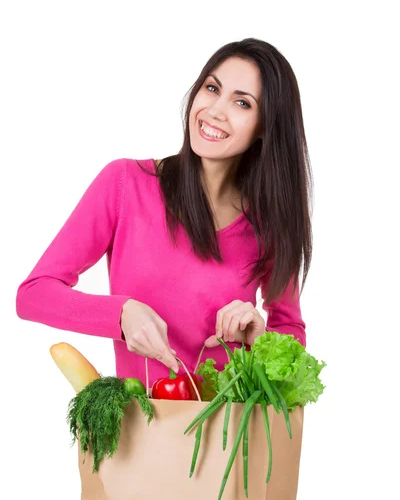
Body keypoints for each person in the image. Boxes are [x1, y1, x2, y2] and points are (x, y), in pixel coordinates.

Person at [15, 37, 313, 386]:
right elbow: (33, 294)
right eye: (212, 88)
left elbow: (289, 326)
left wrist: (262, 341)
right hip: (143, 432)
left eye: (242, 103)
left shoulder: (269, 221)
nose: (215, 110)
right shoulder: (126, 184)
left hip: (232, 430)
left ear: (266, 126)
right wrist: (120, 313)